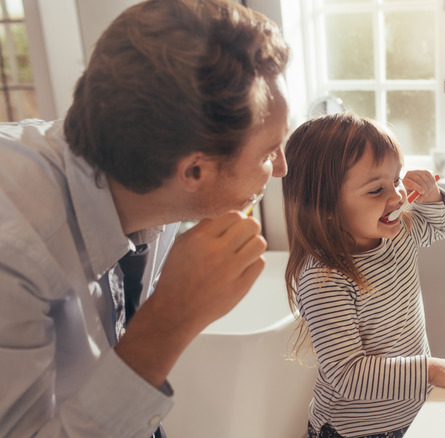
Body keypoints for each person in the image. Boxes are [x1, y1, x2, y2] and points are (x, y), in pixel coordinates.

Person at [0, 0, 289, 436]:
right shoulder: (15, 250)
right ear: (194, 171)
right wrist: (171, 319)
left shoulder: (150, 175)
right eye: (269, 152)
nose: (282, 167)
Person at [282, 113, 445, 438]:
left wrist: (432, 195)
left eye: (396, 179)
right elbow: (347, 374)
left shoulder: (399, 231)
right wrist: (431, 370)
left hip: (409, 410)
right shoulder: (325, 279)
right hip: (355, 429)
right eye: (377, 190)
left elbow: (434, 227)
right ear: (326, 206)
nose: (397, 197)